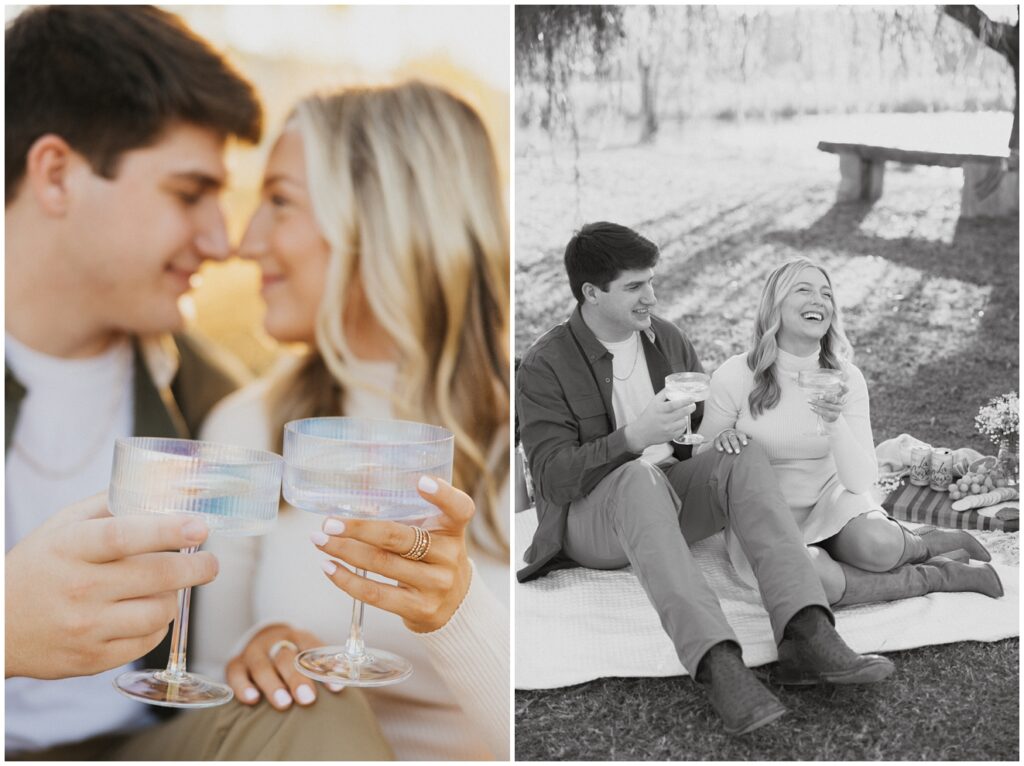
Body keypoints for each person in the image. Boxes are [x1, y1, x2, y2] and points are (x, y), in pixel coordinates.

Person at [5, 6, 389, 760]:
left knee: (314, 716)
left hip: (150, 746)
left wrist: (269, 648)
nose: (221, 241)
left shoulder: (217, 404)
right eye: (189, 194)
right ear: (56, 175)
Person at [192, 80, 510, 760]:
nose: (247, 243)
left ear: (378, 220)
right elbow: (203, 696)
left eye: (279, 202)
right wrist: (257, 666)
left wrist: (456, 615)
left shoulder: (537, 430)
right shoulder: (245, 428)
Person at [516, 222, 898, 737]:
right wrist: (632, 438)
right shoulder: (546, 364)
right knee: (635, 478)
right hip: (593, 523)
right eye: (634, 287)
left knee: (742, 454)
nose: (651, 296)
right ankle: (718, 662)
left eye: (651, 281)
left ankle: (805, 632)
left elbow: (697, 438)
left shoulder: (666, 339)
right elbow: (553, 480)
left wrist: (724, 441)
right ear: (591, 293)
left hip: (668, 498)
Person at [695, 257, 1002, 606]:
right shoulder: (735, 375)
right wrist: (719, 444)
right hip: (763, 513)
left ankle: (918, 544)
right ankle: (940, 575)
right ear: (774, 305)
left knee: (880, 546)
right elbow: (699, 458)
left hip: (832, 499)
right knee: (807, 579)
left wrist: (834, 421)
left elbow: (860, 481)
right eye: (804, 290)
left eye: (826, 294)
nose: (819, 301)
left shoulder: (846, 377)